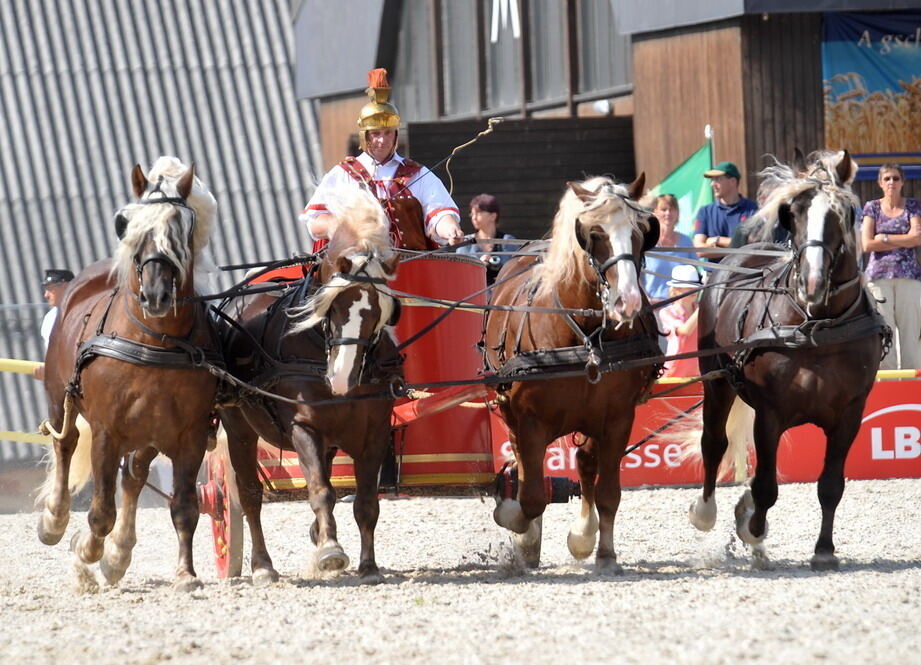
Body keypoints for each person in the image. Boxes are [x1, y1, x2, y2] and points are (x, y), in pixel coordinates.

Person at [300, 68, 463, 252]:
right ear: (365, 136)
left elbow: (439, 214)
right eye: (375, 134)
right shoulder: (343, 174)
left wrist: (450, 229)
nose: (382, 140)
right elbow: (315, 221)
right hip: (357, 269)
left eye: (387, 133)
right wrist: (338, 224)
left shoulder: (417, 174)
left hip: (413, 268)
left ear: (395, 134)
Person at [860, 163, 921, 370]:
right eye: (887, 179)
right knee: (885, 333)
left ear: (903, 182)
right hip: (879, 278)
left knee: (911, 333)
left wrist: (884, 237)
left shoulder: (912, 206)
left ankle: (914, 390)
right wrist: (904, 239)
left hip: (910, 277)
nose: (891, 182)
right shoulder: (872, 207)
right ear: (880, 183)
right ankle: (889, 389)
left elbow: (917, 238)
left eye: (896, 178)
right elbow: (867, 244)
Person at [692, 161, 758, 263]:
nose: (712, 184)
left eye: (718, 179)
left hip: (746, 275)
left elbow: (754, 244)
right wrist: (737, 248)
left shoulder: (753, 209)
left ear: (733, 181)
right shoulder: (705, 211)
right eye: (712, 180)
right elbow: (699, 250)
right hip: (712, 276)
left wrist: (718, 240)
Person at [642, 194, 695, 304]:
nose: (668, 213)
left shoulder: (686, 242)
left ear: (677, 212)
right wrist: (647, 300)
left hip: (681, 309)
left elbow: (695, 277)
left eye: (672, 209)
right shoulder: (646, 243)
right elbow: (636, 276)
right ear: (655, 212)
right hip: (651, 308)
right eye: (663, 209)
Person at [456, 193, 516, 284]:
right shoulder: (465, 243)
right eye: (472, 214)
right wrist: (478, 265)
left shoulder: (508, 242)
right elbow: (459, 274)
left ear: (493, 216)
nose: (474, 218)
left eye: (478, 213)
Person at [659, 264, 702, 378]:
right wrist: (701, 310)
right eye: (689, 288)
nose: (694, 291)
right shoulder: (666, 312)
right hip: (675, 369)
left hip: (699, 368)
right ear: (676, 290)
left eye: (695, 287)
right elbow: (684, 330)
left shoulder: (701, 311)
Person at [33, 269, 74, 380]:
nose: (46, 295)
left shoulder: (84, 312)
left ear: (66, 286)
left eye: (50, 289)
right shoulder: (49, 318)